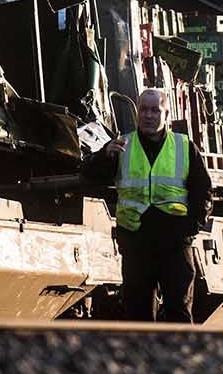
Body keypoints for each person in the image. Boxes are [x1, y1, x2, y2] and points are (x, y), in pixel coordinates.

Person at [83, 87, 212, 321]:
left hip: (174, 243)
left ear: (166, 115)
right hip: (136, 242)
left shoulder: (184, 147)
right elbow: (91, 176)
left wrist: (190, 230)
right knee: (138, 313)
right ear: (137, 113)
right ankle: (143, 357)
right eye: (143, 110)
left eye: (155, 110)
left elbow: (203, 192)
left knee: (179, 311)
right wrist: (104, 156)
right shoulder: (122, 145)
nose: (148, 115)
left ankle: (179, 355)